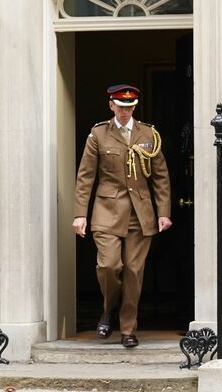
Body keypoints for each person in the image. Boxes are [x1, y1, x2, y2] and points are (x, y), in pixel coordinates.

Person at [73, 84, 172, 348]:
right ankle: (108, 308)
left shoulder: (148, 134)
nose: (125, 111)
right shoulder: (98, 134)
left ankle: (128, 329)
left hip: (140, 214)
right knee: (109, 266)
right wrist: (80, 215)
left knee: (133, 272)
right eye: (120, 106)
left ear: (135, 107)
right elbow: (85, 177)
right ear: (111, 106)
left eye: (130, 107)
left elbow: (160, 177)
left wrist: (163, 212)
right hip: (107, 211)